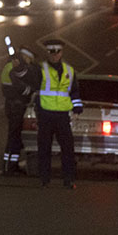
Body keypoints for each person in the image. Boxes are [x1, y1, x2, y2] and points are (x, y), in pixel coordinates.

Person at [34, 38, 82, 188]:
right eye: (51, 52)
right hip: (46, 114)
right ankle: (44, 179)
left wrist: (77, 108)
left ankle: (69, 180)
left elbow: (74, 91)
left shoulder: (69, 70)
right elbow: (34, 87)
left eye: (57, 52)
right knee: (44, 148)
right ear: (47, 53)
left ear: (62, 52)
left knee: (68, 148)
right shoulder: (40, 69)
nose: (54, 55)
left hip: (62, 116)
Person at [0, 41, 35, 175]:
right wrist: (31, 91)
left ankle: (12, 164)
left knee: (15, 137)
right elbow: (21, 88)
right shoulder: (14, 68)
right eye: (29, 59)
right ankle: (9, 166)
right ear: (25, 57)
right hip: (16, 106)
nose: (30, 62)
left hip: (13, 105)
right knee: (14, 137)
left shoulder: (9, 66)